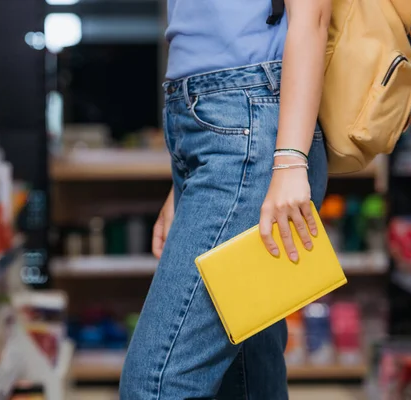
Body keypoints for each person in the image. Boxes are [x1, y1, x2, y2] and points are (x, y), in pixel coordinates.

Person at [120, 0, 331, 398]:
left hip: (251, 126)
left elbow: (314, 16)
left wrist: (287, 161)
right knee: (247, 379)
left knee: (157, 383)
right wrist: (181, 179)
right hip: (213, 129)